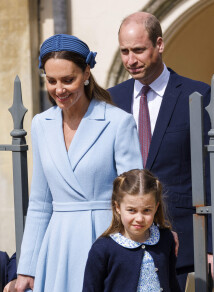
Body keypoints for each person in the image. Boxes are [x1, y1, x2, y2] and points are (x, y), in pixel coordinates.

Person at [15, 34, 143, 291]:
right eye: (51, 81)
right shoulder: (41, 124)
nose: (59, 89)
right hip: (57, 246)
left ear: (86, 74)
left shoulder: (118, 122)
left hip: (106, 242)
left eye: (68, 80)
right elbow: (40, 201)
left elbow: (136, 198)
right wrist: (27, 267)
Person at [108, 12, 213, 291]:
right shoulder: (111, 100)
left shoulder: (198, 96)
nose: (131, 60)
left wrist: (213, 246)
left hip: (184, 248)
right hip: (124, 244)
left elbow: (213, 174)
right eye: (124, 52)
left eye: (139, 50)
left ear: (159, 44)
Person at [82, 169, 181, 292]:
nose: (139, 218)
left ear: (156, 207)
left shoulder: (165, 239)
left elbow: (172, 283)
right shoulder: (102, 248)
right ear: (117, 207)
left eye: (147, 210)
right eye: (131, 210)